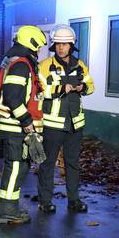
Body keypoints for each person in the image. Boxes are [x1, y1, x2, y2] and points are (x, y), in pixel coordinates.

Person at [0, 25, 46, 225]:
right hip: (15, 127)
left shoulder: (16, 61)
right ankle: (7, 210)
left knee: (20, 167)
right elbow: (13, 97)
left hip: (14, 126)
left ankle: (9, 207)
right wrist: (27, 121)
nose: (39, 50)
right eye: (38, 46)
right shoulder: (21, 64)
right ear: (31, 43)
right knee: (15, 168)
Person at [36, 25, 95, 214]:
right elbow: (38, 91)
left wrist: (83, 88)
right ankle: (45, 201)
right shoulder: (44, 66)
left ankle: (74, 200)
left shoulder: (80, 65)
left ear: (71, 45)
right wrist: (60, 89)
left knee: (72, 164)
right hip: (53, 124)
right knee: (48, 163)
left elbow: (91, 85)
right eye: (58, 44)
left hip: (75, 124)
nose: (61, 48)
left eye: (65, 44)